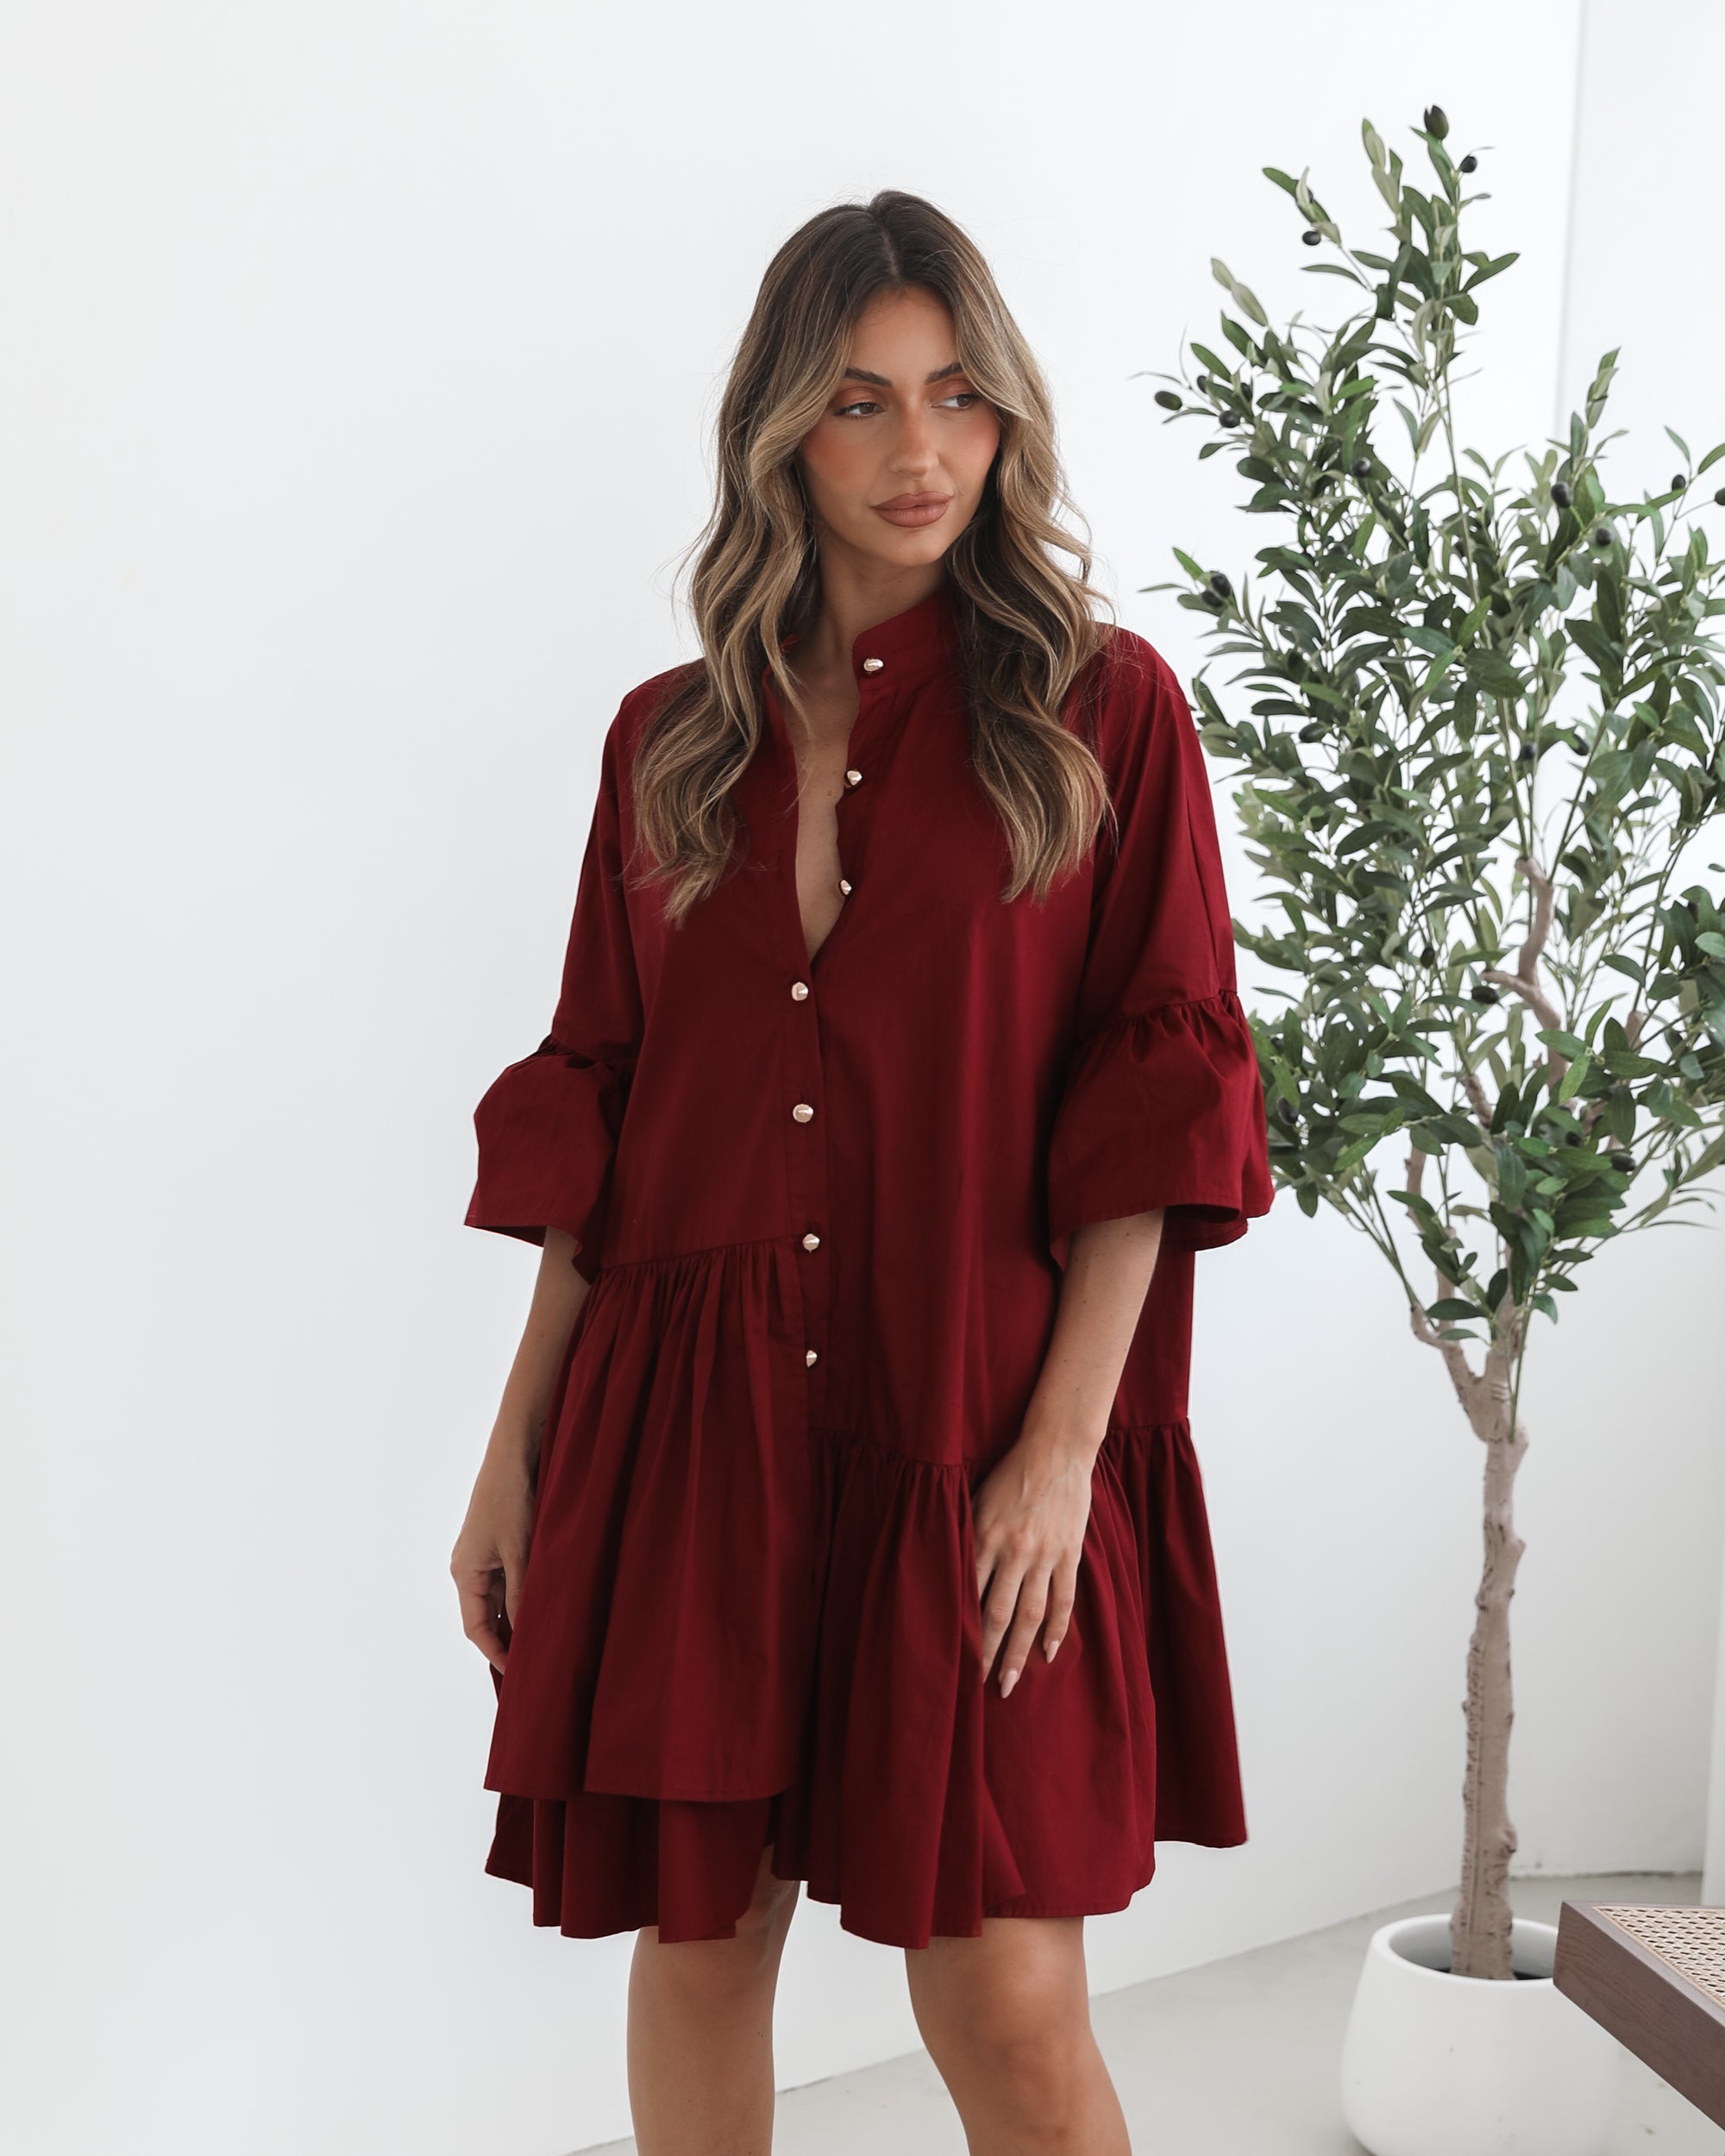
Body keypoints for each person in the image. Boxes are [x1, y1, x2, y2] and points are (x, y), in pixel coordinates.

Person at [449, 189, 1272, 2155]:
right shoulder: (667, 745)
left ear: (1007, 423)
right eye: (860, 402)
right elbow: (610, 1110)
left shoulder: (1102, 712)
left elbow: (1150, 1102)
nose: (921, 452)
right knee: (703, 1936)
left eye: (960, 397)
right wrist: (513, 1447)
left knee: (1000, 1987)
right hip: (692, 1426)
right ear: (777, 435)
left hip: (971, 1407)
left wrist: (1064, 1445)